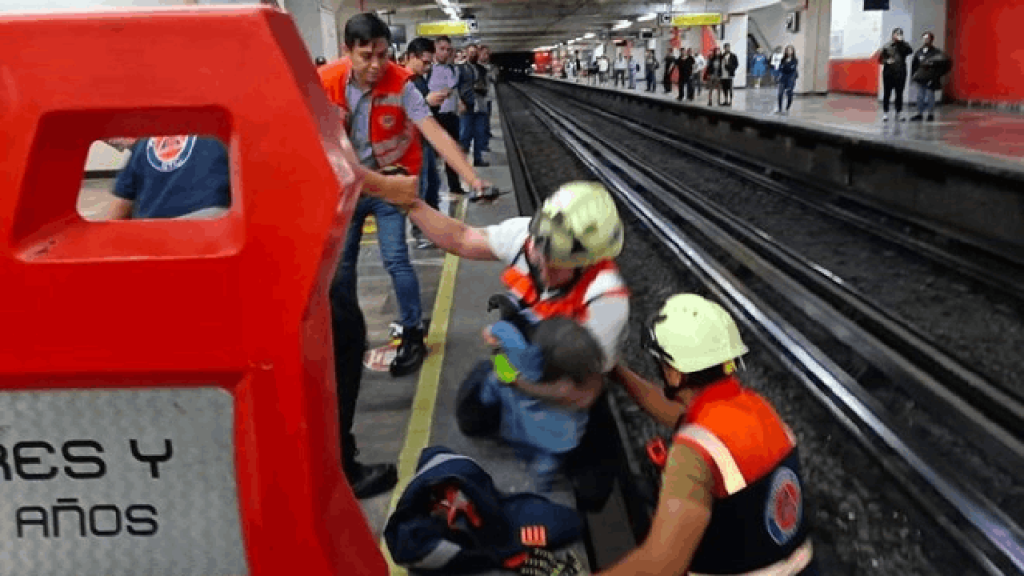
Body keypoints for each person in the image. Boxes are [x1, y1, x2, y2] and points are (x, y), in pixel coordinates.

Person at [522, 293, 817, 575]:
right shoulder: (756, 408)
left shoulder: (694, 452)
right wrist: (618, 373)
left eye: (661, 363)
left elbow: (661, 566)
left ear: (675, 374)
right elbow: (677, 415)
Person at [318, 14, 489, 376]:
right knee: (341, 268)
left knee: (396, 258)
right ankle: (345, 336)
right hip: (344, 191)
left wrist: (472, 178)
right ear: (347, 51)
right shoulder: (325, 83)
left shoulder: (403, 85)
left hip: (388, 186)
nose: (377, 65)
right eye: (366, 56)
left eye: (383, 54)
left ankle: (412, 332)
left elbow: (435, 133)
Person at [406, 181, 629, 413]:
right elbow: (461, 238)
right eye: (540, 254)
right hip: (524, 363)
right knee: (473, 403)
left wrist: (516, 382)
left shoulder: (606, 302)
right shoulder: (528, 239)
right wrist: (411, 204)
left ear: (588, 263)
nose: (542, 268)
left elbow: (581, 395)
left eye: (556, 263)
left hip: (553, 403)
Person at [457, 315, 605, 492]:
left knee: (493, 384)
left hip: (529, 428)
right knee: (548, 460)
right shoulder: (589, 381)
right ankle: (545, 480)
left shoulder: (537, 377)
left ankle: (536, 472)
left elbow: (508, 375)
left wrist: (498, 352)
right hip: (563, 437)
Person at [107, 135, 231, 220]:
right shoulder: (222, 132)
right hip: (212, 229)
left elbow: (121, 205)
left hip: (155, 235)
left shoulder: (145, 142)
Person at [405, 36, 447, 248]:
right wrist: (426, 102)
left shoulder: (420, 80)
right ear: (411, 57)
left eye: (430, 63)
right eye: (424, 62)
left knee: (432, 185)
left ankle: (433, 229)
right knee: (419, 189)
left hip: (425, 141)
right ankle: (421, 233)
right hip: (413, 144)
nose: (428, 67)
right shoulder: (403, 82)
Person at [909, 32, 951, 122]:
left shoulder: (937, 53)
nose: (925, 40)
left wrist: (939, 74)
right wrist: (913, 76)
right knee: (920, 96)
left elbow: (946, 64)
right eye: (924, 38)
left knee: (930, 96)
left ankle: (930, 114)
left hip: (931, 78)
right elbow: (914, 65)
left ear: (931, 40)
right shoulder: (919, 52)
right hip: (921, 78)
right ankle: (919, 114)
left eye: (927, 38)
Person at [878, 27, 914, 122]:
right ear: (893, 35)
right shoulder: (886, 46)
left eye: (900, 34)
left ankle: (899, 112)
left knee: (899, 94)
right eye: (896, 33)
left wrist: (901, 42)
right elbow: (880, 60)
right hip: (888, 73)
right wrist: (887, 61)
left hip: (900, 73)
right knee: (887, 93)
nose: (898, 35)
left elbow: (910, 51)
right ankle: (885, 113)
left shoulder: (904, 46)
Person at [775, 45, 798, 115]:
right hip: (783, 77)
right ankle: (779, 109)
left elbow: (791, 69)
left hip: (791, 78)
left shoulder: (795, 60)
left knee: (789, 93)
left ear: (793, 51)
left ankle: (787, 108)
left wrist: (785, 67)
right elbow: (781, 68)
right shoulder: (783, 59)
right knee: (780, 93)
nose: (789, 52)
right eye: (788, 50)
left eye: (790, 50)